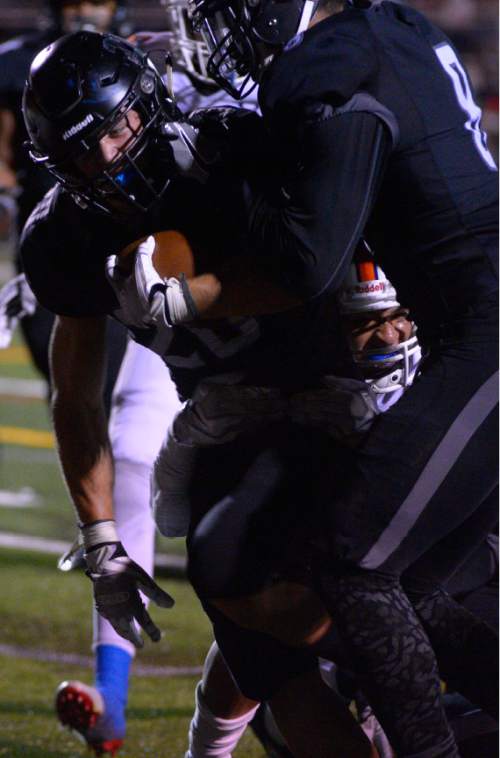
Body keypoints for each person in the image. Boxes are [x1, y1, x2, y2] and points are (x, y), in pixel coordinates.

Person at [20, 29, 376, 758]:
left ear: (147, 104)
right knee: (255, 638)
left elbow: (321, 254)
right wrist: (101, 539)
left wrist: (192, 297)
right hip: (226, 427)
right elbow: (77, 394)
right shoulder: (63, 238)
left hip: (339, 397)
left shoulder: (228, 152)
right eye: (83, 150)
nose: (110, 160)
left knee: (386, 608)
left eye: (116, 128)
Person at [186, 0, 499, 755]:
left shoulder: (328, 61)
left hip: (483, 333)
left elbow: (310, 260)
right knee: (413, 582)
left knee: (351, 559)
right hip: (475, 324)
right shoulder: (398, 27)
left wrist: (232, 175)